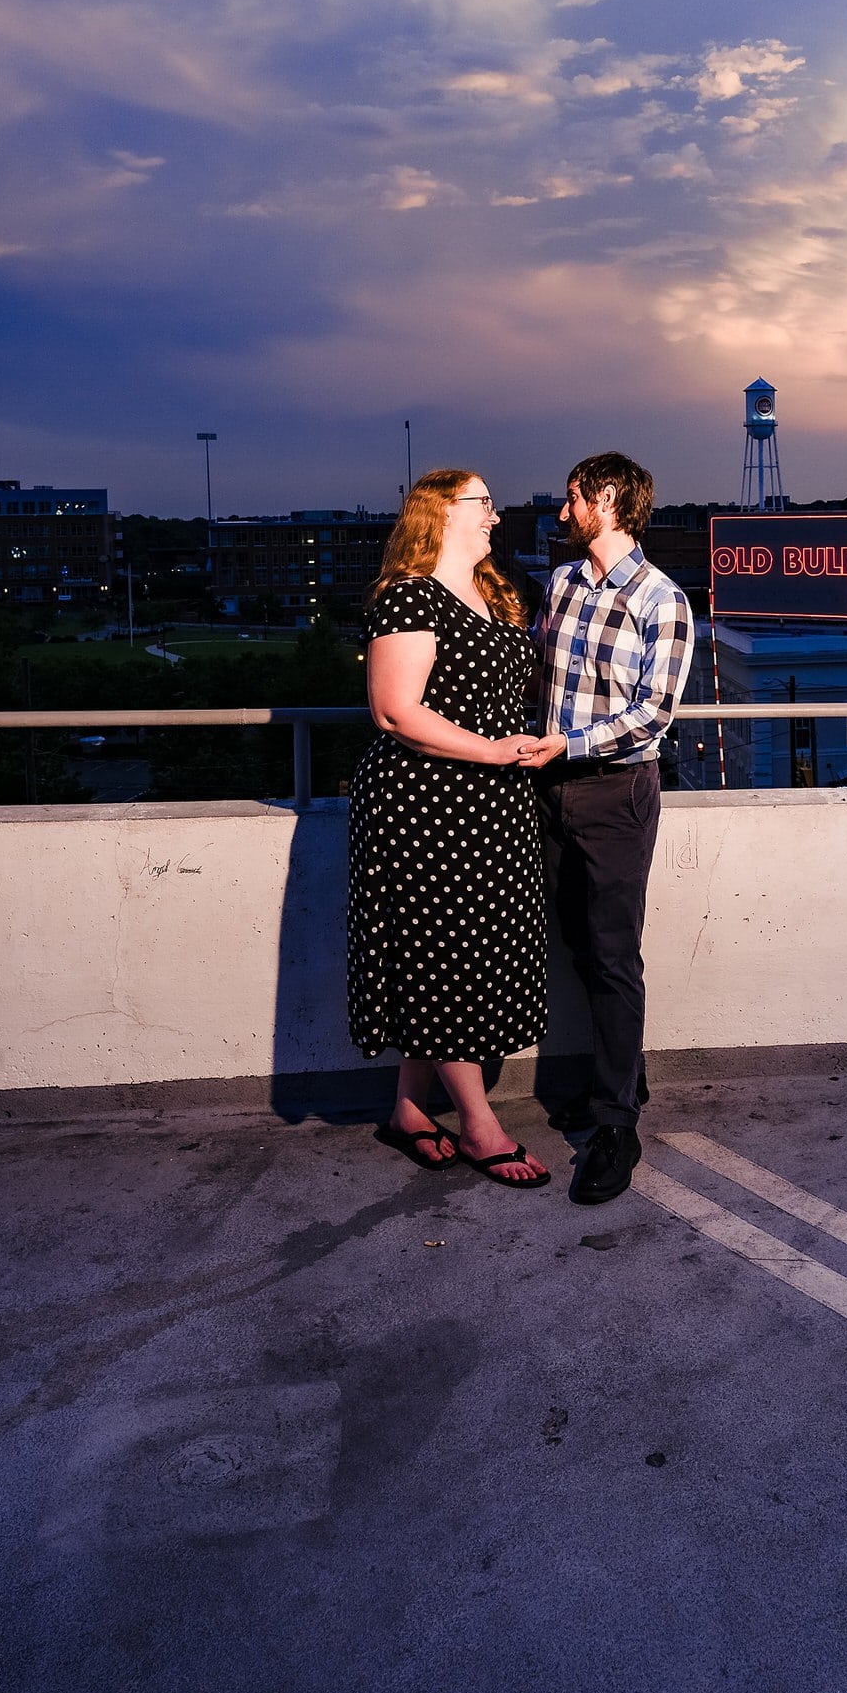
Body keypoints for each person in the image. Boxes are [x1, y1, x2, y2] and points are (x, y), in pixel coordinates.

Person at [347, 467, 551, 1188]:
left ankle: (409, 1109)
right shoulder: (408, 596)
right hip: (426, 805)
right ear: (441, 512)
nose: (496, 515)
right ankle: (479, 1125)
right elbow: (396, 711)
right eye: (484, 502)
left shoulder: (494, 593)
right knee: (447, 957)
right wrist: (494, 750)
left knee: (453, 952)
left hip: (488, 802)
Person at [522, 452, 696, 1205]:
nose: (562, 514)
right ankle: (621, 1073)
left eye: (571, 500)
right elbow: (539, 676)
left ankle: (615, 1126)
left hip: (616, 791)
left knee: (615, 952)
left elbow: (654, 716)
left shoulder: (664, 601)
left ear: (609, 499)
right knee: (576, 939)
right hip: (550, 786)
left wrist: (571, 744)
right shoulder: (560, 584)